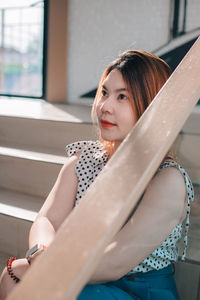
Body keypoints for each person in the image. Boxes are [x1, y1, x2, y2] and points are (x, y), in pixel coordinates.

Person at [0, 50, 194, 300]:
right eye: (104, 93)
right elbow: (47, 219)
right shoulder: (82, 161)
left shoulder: (167, 180)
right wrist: (41, 252)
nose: (104, 106)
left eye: (122, 96)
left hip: (139, 289)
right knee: (13, 273)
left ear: (152, 106)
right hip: (78, 271)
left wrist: (50, 269)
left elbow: (114, 262)